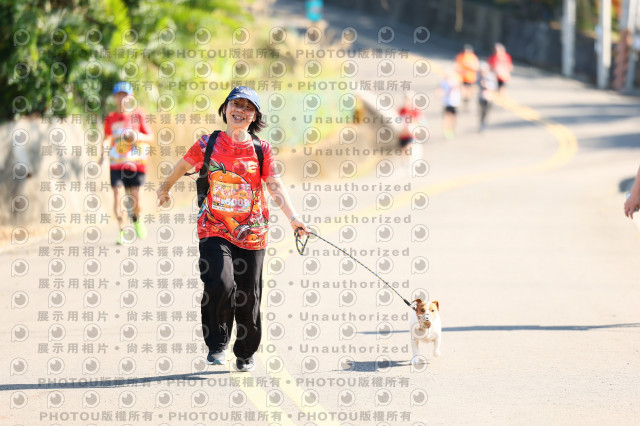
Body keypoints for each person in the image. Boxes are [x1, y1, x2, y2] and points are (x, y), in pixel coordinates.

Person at [156, 86, 309, 372]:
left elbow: (274, 185)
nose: (241, 111)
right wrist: (165, 188)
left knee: (249, 295)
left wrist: (294, 218)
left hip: (253, 232)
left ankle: (245, 351)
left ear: (255, 117)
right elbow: (182, 165)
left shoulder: (261, 149)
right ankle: (217, 344)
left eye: (248, 108)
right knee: (220, 283)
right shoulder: (208, 143)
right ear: (225, 109)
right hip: (213, 226)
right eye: (236, 104)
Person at [100, 81, 153, 244]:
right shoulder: (110, 118)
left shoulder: (139, 115)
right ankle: (122, 231)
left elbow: (150, 137)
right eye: (119, 95)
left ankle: (136, 218)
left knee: (138, 201)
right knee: (118, 196)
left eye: (125, 95)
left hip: (137, 164)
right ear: (114, 98)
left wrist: (137, 136)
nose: (122, 98)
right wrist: (102, 154)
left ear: (131, 97)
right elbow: (106, 138)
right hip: (116, 163)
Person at [397, 93, 427, 165]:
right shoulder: (401, 111)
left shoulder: (416, 111)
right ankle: (406, 165)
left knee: (410, 150)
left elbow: (423, 123)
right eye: (406, 99)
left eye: (408, 99)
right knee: (404, 153)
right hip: (403, 135)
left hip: (413, 136)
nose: (407, 101)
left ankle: (412, 164)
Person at [438, 70, 462, 140]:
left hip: (454, 102)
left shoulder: (454, 81)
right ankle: (446, 131)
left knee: (453, 117)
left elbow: (458, 88)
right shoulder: (443, 82)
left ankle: (452, 129)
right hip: (446, 103)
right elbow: (440, 91)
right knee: (446, 117)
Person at [455, 44, 479, 108]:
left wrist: (468, 65)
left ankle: (467, 101)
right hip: (462, 77)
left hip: (470, 77)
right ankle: (464, 100)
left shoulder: (473, 57)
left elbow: (476, 67)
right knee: (463, 89)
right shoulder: (460, 56)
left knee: (468, 90)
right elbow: (457, 65)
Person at [477, 62, 497, 132]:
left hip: (489, 96)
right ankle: (482, 123)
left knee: (487, 111)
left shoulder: (490, 76)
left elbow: (494, 86)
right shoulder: (479, 77)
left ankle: (485, 123)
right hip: (481, 97)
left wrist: (487, 85)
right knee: (482, 110)